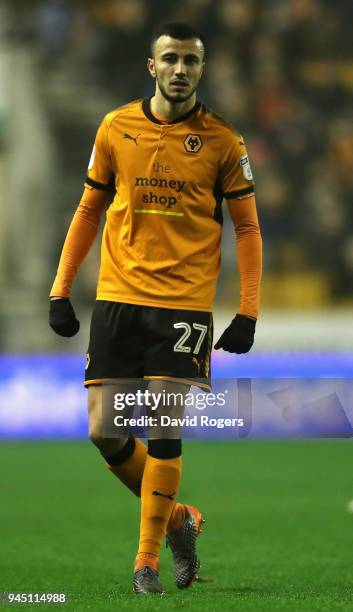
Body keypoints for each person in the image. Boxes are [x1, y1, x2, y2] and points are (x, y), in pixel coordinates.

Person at [49, 22, 262, 595]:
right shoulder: (116, 127)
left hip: (183, 304)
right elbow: (89, 209)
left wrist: (247, 310)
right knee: (102, 429)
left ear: (201, 67)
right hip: (117, 296)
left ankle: (146, 562)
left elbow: (246, 227)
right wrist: (59, 289)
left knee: (164, 422)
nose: (180, 69)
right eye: (170, 58)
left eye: (191, 60)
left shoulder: (223, 140)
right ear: (152, 66)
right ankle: (177, 518)